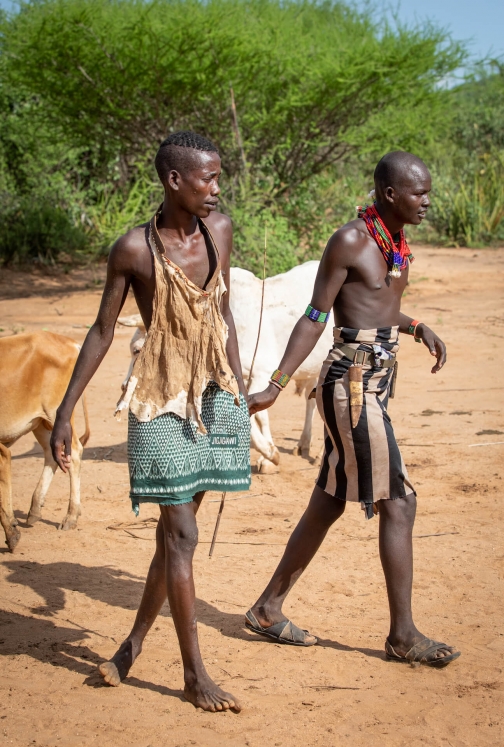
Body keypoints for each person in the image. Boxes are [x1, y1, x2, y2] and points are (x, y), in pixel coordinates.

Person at [51, 131, 251, 711]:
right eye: (206, 178)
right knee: (182, 533)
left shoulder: (221, 231)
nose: (215, 189)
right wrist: (65, 413)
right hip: (159, 399)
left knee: (173, 539)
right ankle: (194, 676)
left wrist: (236, 386)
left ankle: (131, 645)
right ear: (173, 181)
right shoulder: (133, 250)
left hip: (214, 391)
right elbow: (102, 331)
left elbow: (225, 311)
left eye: (218, 177)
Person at [245, 151, 460, 668]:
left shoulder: (398, 243)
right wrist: (275, 384)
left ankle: (268, 608)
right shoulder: (350, 241)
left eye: (428, 191)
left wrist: (413, 326)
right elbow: (317, 316)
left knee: (330, 498)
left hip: (377, 381)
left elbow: (379, 306)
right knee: (400, 501)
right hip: (352, 386)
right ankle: (403, 635)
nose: (427, 201)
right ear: (390, 194)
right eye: (418, 192)